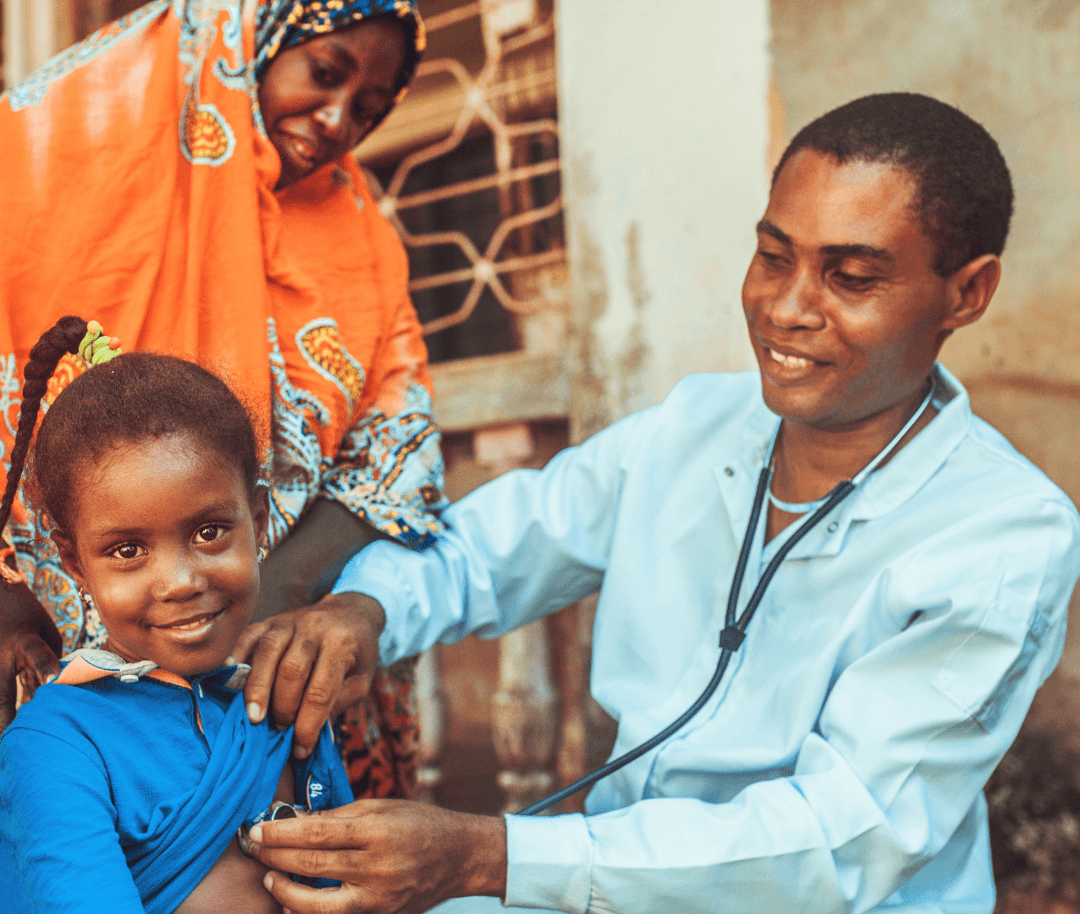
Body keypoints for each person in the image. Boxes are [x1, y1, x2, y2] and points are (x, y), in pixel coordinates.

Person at [236, 93, 1080, 914]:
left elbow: (833, 845)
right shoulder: (695, 424)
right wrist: (366, 609)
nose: (785, 309)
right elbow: (485, 549)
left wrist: (489, 855)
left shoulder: (1005, 534)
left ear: (967, 294)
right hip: (605, 878)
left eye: (851, 277)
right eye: (773, 257)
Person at [0, 0, 446, 792]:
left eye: (371, 109)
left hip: (264, 678)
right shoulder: (47, 156)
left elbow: (395, 453)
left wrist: (267, 592)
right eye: (325, 73)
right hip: (42, 666)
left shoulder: (365, 238)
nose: (340, 119)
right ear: (256, 37)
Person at [0, 317, 356, 913]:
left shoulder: (282, 699)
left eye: (210, 531)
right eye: (128, 551)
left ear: (260, 521)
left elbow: (352, 888)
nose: (181, 582)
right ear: (75, 562)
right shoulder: (57, 746)